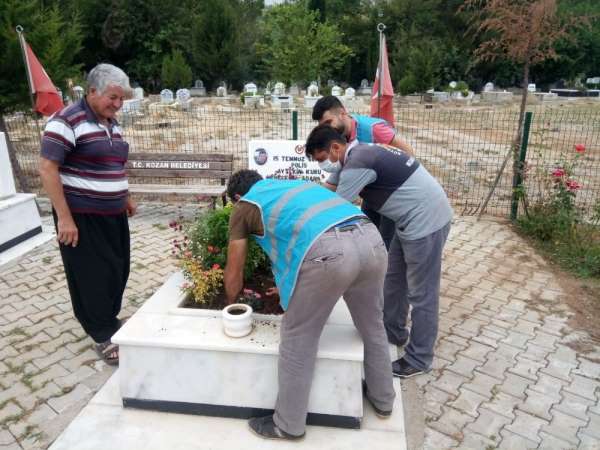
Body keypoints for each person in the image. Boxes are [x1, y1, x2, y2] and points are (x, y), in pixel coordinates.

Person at [224, 169, 395, 440]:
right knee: (372, 325)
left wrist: (231, 304)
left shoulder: (245, 206)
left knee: (297, 336)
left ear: (236, 197)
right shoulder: (294, 186)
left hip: (331, 254)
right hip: (371, 241)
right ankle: (384, 399)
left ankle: (288, 424)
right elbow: (299, 237)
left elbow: (234, 272)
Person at [305, 125, 453, 378]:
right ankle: (392, 332)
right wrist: (301, 191)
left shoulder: (357, 164)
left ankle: (419, 358)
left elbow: (335, 210)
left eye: (322, 158)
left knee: (422, 294)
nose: (324, 165)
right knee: (393, 278)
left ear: (335, 148)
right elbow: (327, 190)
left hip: (426, 221)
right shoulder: (358, 154)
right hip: (407, 221)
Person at [38, 63, 136, 366]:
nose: (118, 105)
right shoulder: (66, 121)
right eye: (113, 97)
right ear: (93, 91)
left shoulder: (111, 122)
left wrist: (125, 195)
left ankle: (107, 318)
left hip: (112, 214)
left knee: (117, 269)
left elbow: (114, 164)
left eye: (121, 99)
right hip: (81, 217)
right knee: (92, 276)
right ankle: (102, 333)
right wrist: (64, 218)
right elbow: (47, 168)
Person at [312, 95, 415, 249]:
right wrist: (308, 191)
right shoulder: (340, 137)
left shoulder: (374, 130)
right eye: (323, 126)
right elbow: (337, 178)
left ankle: (387, 270)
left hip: (392, 195)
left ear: (342, 113)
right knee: (368, 235)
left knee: (387, 242)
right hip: (370, 194)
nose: (328, 129)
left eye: (329, 122)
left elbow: (408, 153)